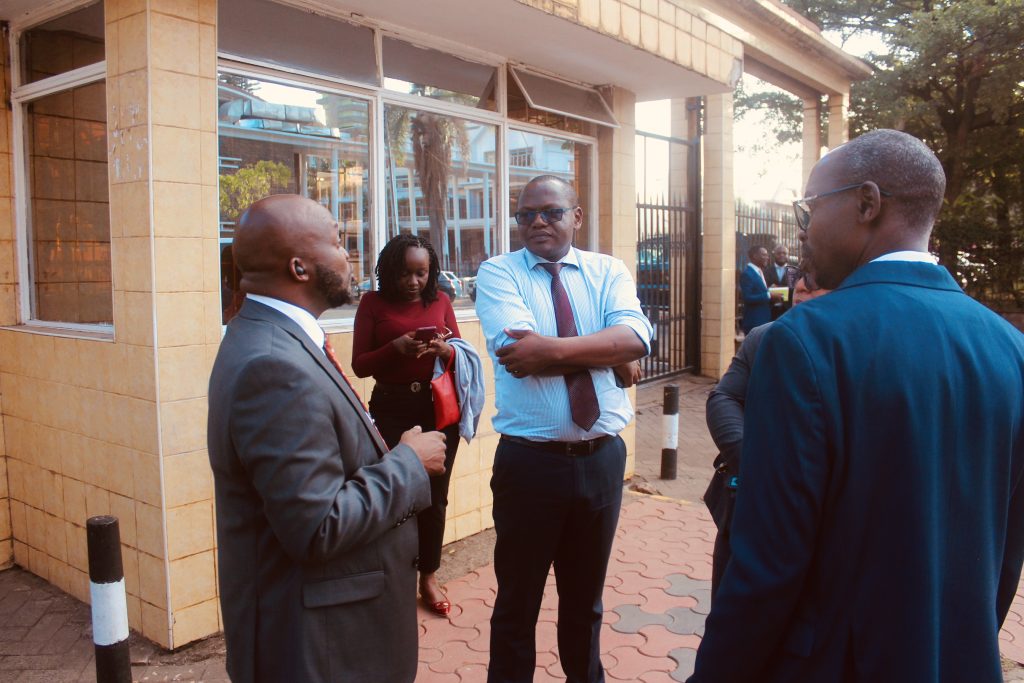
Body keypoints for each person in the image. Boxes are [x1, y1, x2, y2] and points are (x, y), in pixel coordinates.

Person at [688, 130, 1024, 682]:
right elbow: (1006, 552)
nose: (803, 229)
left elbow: (769, 562)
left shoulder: (805, 341)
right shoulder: (1010, 348)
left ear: (867, 203)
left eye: (811, 208)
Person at [207, 195, 448, 683]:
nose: (348, 255)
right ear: (299, 267)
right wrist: (408, 463)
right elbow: (317, 526)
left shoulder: (274, 337)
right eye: (338, 243)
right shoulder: (272, 365)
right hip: (318, 646)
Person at [475, 175, 652, 683]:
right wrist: (609, 353)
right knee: (517, 604)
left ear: (576, 216)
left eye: (551, 212)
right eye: (526, 214)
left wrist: (554, 351)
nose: (537, 222)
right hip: (530, 465)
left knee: (584, 602)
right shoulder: (498, 272)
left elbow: (637, 337)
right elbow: (519, 354)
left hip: (601, 459)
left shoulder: (607, 270)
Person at [352, 233, 462, 617]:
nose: (413, 281)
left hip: (436, 409)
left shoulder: (441, 301)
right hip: (390, 408)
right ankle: (391, 576)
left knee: (435, 496)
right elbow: (360, 365)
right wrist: (395, 348)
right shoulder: (372, 303)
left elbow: (460, 353)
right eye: (404, 273)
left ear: (431, 272)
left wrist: (444, 349)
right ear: (389, 271)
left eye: (421, 273)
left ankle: (428, 576)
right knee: (393, 493)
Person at [704, 267, 829, 598]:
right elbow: (724, 398)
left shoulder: (851, 350)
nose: (801, 292)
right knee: (730, 606)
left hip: (819, 521)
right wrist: (754, 463)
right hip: (748, 506)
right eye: (799, 287)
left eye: (814, 287)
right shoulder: (763, 338)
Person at [738, 246, 780, 334]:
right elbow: (747, 297)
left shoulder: (759, 272)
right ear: (755, 256)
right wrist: (769, 295)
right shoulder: (747, 274)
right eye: (764, 255)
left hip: (763, 320)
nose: (767, 258)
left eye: (767, 255)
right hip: (754, 322)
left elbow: (758, 291)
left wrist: (769, 290)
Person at [764, 244, 793, 320]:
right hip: (770, 309)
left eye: (784, 253)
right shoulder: (766, 271)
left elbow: (795, 289)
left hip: (788, 309)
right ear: (774, 255)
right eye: (779, 253)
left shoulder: (794, 271)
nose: (781, 255)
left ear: (788, 255)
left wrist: (777, 290)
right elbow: (763, 288)